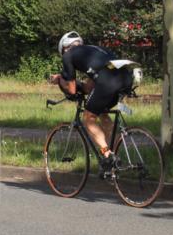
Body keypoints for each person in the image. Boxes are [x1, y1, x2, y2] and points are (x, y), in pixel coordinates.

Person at [49, 31, 136, 176]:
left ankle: (107, 154)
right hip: (125, 78)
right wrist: (82, 87)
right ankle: (113, 158)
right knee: (101, 113)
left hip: (108, 80)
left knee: (88, 118)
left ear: (64, 48)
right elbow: (89, 87)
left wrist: (59, 79)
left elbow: (71, 90)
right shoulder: (93, 51)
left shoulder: (68, 56)